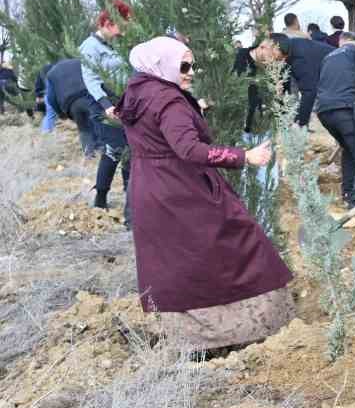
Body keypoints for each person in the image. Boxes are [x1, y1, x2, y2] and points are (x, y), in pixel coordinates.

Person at [117, 36, 291, 352]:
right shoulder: (168, 101)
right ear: (163, 65)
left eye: (192, 64)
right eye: (184, 65)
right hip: (182, 189)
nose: (191, 72)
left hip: (151, 187)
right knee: (234, 242)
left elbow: (156, 133)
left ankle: (188, 337)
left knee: (175, 260)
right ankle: (240, 329)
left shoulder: (138, 92)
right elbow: (188, 148)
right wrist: (243, 157)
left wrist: (193, 109)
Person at [314, 30, 355, 212]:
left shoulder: (329, 57)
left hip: (324, 111)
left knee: (351, 151)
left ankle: (348, 193)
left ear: (340, 42)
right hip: (346, 108)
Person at [80, 6, 133, 218]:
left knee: (125, 149)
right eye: (123, 23)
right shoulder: (89, 46)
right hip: (102, 104)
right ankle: (105, 199)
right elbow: (91, 79)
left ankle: (129, 202)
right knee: (118, 149)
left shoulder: (116, 44)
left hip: (122, 102)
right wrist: (106, 106)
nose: (126, 28)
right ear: (107, 23)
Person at [282, 14, 331, 128]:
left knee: (292, 97)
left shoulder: (282, 36)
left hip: (287, 70)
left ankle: (292, 122)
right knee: (306, 96)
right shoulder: (304, 35)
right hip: (303, 69)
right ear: (296, 21)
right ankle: (304, 124)